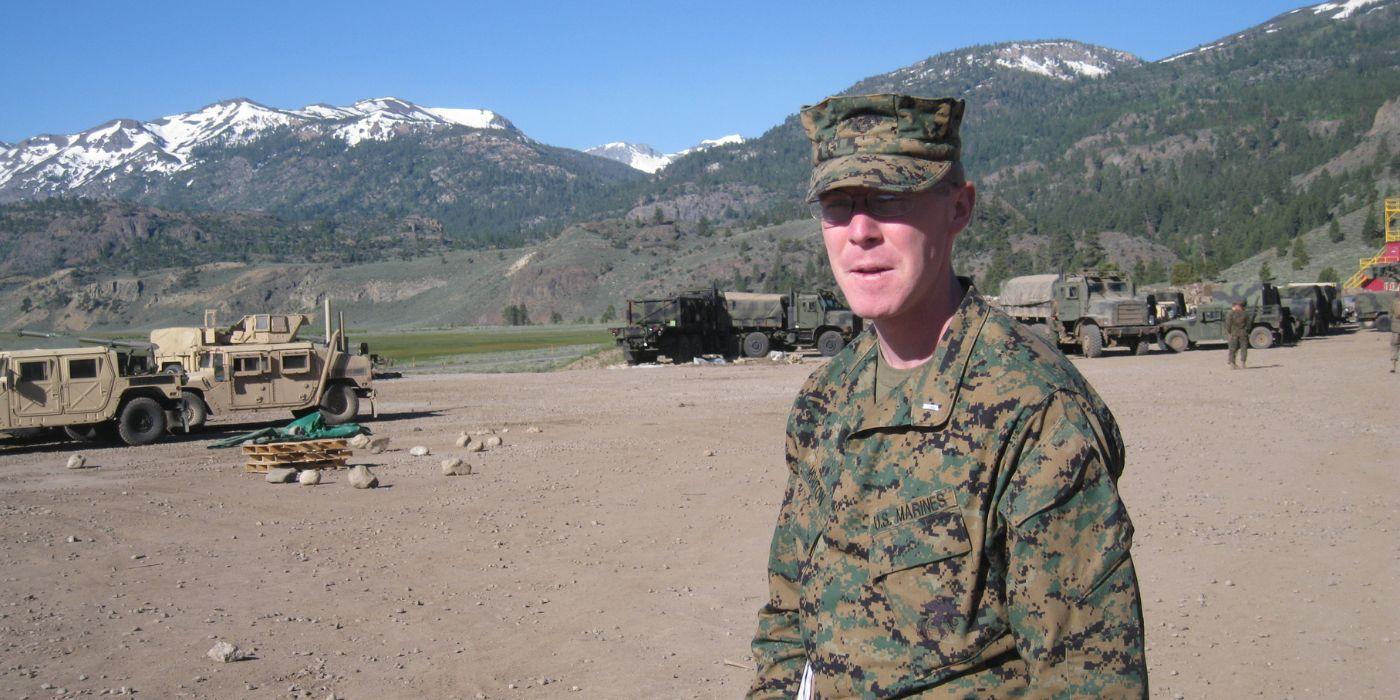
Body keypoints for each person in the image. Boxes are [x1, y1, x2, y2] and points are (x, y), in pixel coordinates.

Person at [747, 94, 1147, 698]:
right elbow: (788, 614)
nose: (860, 232)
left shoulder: (1032, 408)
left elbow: (1088, 676)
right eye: (836, 207)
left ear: (959, 208)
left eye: (890, 200)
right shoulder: (825, 398)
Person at [1224, 300, 1249, 369]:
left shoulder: (1230, 313)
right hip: (1243, 333)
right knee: (1244, 349)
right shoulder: (1245, 314)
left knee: (1232, 349)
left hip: (1234, 333)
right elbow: (1248, 325)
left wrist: (1229, 332)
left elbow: (1228, 324)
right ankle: (1243, 364)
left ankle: (1232, 364)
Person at [1390, 297, 1399, 373]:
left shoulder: (1394, 301)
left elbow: (1390, 313)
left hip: (1395, 328)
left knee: (1394, 347)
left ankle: (1393, 366)